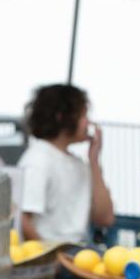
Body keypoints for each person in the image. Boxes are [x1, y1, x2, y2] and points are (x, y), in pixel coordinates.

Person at [19, 84, 114, 243]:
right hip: (49, 259)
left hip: (76, 253)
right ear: (61, 116)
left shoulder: (79, 164)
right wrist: (50, 256)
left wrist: (94, 161)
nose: (89, 123)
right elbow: (23, 219)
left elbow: (105, 218)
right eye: (84, 115)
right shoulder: (38, 160)